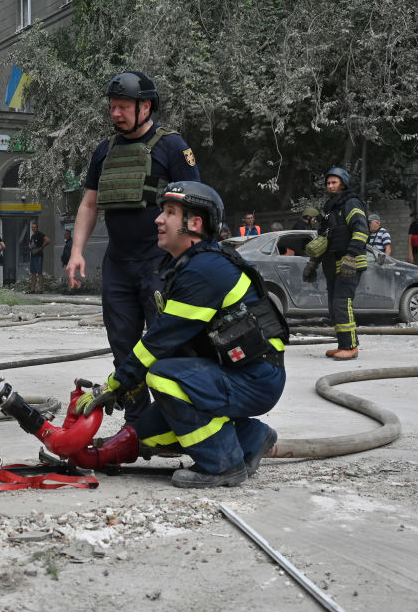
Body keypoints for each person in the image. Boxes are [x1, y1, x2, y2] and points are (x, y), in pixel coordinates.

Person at [73, 181, 287, 488]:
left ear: (194, 223)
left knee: (161, 376)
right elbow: (180, 345)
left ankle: (223, 466)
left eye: (170, 212)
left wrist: (116, 384)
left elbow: (158, 343)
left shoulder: (205, 270)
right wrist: (128, 386)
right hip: (238, 373)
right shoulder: (188, 265)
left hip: (255, 379)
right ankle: (252, 437)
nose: (158, 220)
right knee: (148, 430)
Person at [65, 71, 200, 424]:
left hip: (160, 264)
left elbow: (196, 204)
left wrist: (190, 260)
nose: (116, 113)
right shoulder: (104, 150)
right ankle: (138, 425)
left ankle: (177, 422)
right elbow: (89, 205)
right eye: (112, 107)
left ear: (146, 106)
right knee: (124, 349)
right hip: (118, 265)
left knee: (167, 346)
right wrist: (76, 251)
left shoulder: (173, 146)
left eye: (123, 106)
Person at [302, 167, 368, 360]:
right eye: (328, 183)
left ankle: (350, 347)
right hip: (332, 262)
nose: (330, 186)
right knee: (333, 306)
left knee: (342, 303)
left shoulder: (351, 203)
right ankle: (344, 344)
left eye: (334, 182)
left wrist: (351, 256)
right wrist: (312, 263)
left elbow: (361, 230)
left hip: (349, 261)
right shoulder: (330, 208)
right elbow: (323, 239)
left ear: (343, 183)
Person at [26, 219, 50, 293]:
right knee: (33, 273)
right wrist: (30, 246)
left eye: (34, 227)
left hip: (38, 256)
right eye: (32, 227)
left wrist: (41, 247)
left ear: (37, 227)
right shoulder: (33, 236)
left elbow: (48, 240)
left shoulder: (40, 234)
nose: (33, 229)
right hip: (33, 255)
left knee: (39, 272)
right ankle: (32, 289)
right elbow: (29, 244)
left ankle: (40, 289)